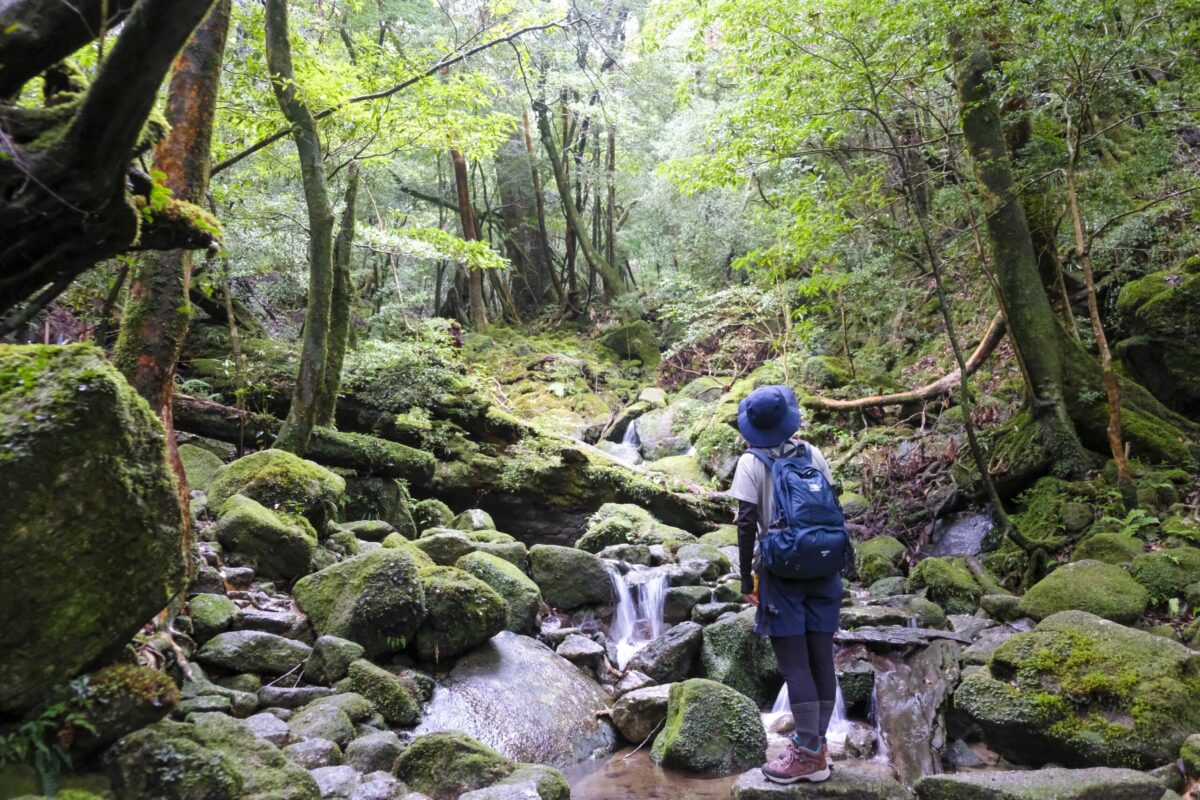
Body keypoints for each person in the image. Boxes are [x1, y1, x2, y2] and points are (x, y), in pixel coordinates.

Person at [727, 384, 839, 784]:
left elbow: (745, 524)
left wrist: (746, 580)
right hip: (825, 567)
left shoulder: (751, 462)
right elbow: (831, 507)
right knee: (821, 657)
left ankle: (808, 753)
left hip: (781, 574)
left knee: (794, 662)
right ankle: (817, 746)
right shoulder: (813, 453)